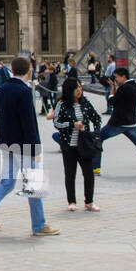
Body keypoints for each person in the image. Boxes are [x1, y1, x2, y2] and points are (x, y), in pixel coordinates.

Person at [0, 56, 59, 238]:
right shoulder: (24, 92)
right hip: (23, 145)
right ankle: (39, 225)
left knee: (7, 182)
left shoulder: (2, 90)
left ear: (11, 69)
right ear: (29, 70)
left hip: (6, 142)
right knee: (33, 183)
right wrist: (35, 148)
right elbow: (29, 123)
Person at [53, 76, 101, 212]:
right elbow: (56, 123)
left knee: (88, 173)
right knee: (70, 173)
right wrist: (72, 125)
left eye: (80, 87)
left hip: (84, 143)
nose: (79, 90)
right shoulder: (61, 104)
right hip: (69, 144)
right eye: (76, 88)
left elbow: (96, 117)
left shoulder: (85, 102)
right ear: (69, 90)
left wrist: (95, 133)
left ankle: (89, 201)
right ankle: (72, 201)